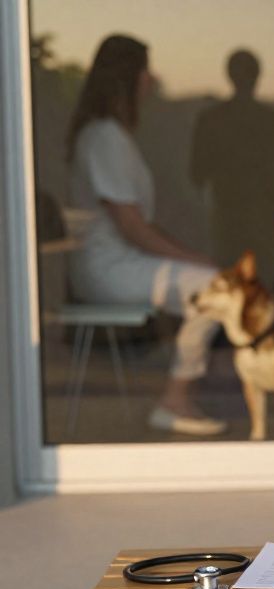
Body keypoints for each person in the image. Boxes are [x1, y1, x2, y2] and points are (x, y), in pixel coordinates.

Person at [66, 35, 226, 436]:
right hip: (109, 268)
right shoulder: (104, 137)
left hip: (119, 261)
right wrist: (197, 260)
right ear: (127, 78)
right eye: (145, 70)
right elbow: (132, 228)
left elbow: (138, 225)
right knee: (214, 288)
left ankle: (177, 390)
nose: (152, 79)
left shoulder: (112, 136)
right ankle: (175, 399)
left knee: (208, 281)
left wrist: (188, 254)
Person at [189, 48, 274, 281]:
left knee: (240, 287)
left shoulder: (212, 120)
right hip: (246, 217)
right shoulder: (270, 121)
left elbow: (196, 173)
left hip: (240, 218)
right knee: (251, 286)